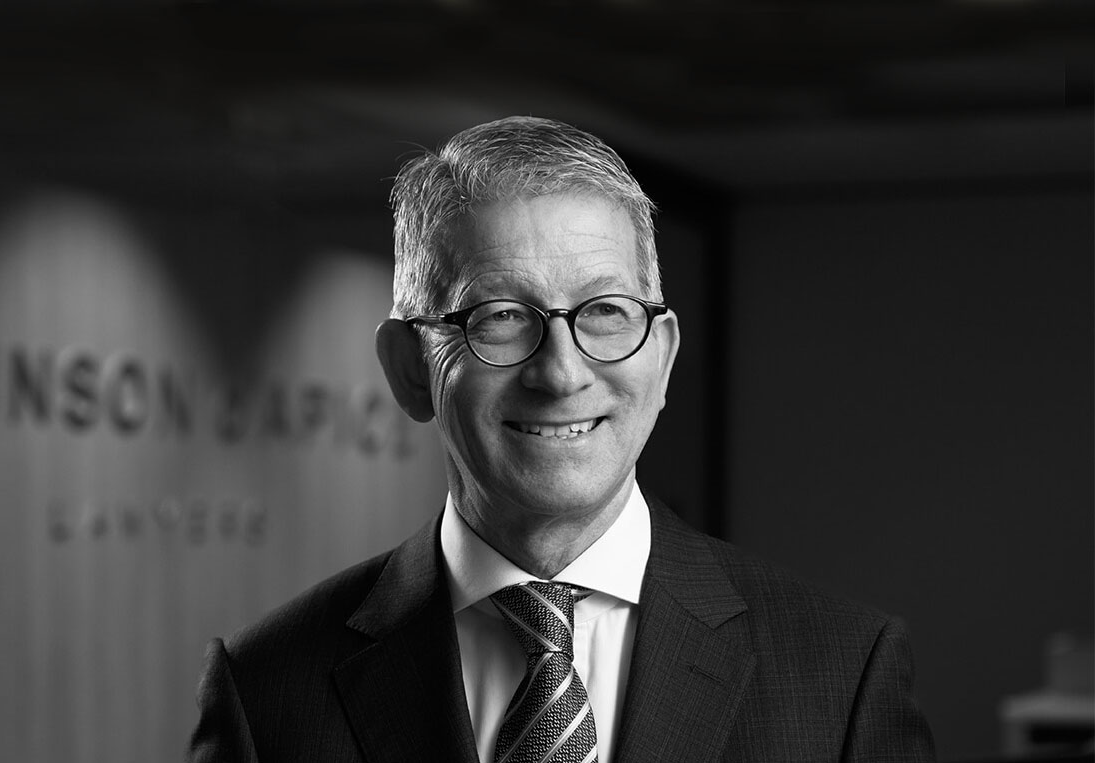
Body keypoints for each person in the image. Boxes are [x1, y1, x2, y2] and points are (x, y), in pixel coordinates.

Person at [188, 116, 936, 762]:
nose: (561, 372)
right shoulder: (267, 691)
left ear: (662, 357)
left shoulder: (841, 674)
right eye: (501, 318)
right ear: (411, 369)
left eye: (605, 311)